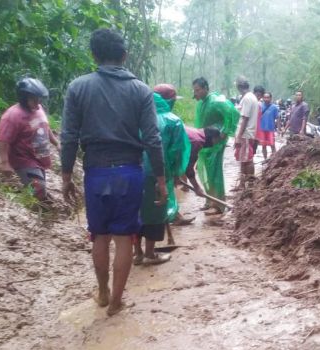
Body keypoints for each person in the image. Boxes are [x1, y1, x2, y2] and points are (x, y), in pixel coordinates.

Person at [60, 28, 166, 316]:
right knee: (124, 240)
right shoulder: (142, 90)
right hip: (130, 173)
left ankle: (103, 292)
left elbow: (69, 135)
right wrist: (160, 179)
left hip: (95, 173)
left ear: (94, 55)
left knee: (99, 236)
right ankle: (117, 302)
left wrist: (66, 176)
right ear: (124, 55)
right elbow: (153, 139)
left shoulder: (78, 88)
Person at [134, 84, 190, 265]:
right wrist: (175, 173)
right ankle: (150, 254)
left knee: (135, 211)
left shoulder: (136, 116)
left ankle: (137, 253)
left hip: (132, 170)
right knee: (156, 213)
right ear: (170, 100)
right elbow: (177, 151)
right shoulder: (173, 121)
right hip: (158, 173)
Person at [0, 77, 60, 202]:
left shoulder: (38, 109)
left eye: (39, 99)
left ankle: (33, 204)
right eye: (34, 99)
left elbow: (45, 127)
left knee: (38, 190)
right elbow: (3, 140)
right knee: (38, 191)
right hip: (24, 160)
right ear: (24, 98)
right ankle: (36, 214)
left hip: (39, 158)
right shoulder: (12, 116)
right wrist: (4, 163)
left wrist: (56, 143)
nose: (38, 102)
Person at [192, 77, 240, 215]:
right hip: (204, 140)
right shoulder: (202, 103)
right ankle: (209, 199)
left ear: (206, 88)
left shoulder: (216, 100)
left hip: (215, 141)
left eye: (198, 90)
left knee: (215, 171)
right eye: (195, 90)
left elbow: (233, 113)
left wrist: (225, 132)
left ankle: (218, 204)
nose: (196, 93)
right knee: (204, 170)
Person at [233, 76, 259, 191]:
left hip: (246, 134)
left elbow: (245, 118)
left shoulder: (248, 98)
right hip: (246, 134)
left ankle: (251, 185)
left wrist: (238, 136)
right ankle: (243, 184)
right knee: (243, 159)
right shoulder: (250, 97)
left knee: (247, 160)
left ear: (238, 86)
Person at [181, 126, 223, 197]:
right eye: (216, 140)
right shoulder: (197, 141)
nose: (215, 144)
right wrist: (197, 187)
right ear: (212, 137)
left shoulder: (196, 132)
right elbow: (189, 169)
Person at [257, 92, 280, 160]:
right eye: (265, 97)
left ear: (270, 98)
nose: (266, 99)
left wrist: (279, 128)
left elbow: (278, 118)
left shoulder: (274, 107)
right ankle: (265, 159)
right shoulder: (260, 106)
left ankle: (274, 160)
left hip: (270, 130)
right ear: (263, 98)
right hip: (262, 129)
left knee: (272, 145)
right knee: (263, 146)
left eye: (268, 97)